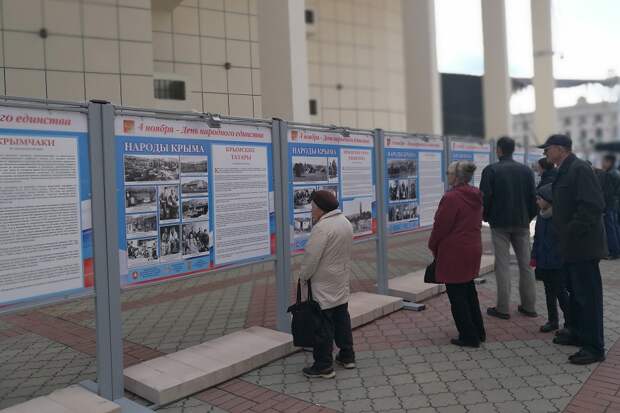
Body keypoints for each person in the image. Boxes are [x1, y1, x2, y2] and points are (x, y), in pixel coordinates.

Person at [540, 134, 607, 365]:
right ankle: (578, 333)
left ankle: (594, 347)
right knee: (577, 294)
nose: (545, 154)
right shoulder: (566, 169)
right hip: (571, 247)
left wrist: (569, 231)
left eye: (547, 149)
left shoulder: (579, 169)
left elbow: (593, 206)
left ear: (560, 149)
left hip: (583, 246)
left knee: (588, 297)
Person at [480, 136, 538, 320]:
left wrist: (487, 217)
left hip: (499, 224)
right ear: (513, 150)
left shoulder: (491, 170)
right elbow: (533, 199)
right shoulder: (526, 171)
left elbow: (485, 198)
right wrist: (528, 217)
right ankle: (529, 306)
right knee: (527, 265)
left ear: (499, 150)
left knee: (502, 265)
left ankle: (503, 308)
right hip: (522, 223)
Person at [429, 161, 486, 347]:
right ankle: (479, 331)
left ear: (457, 176)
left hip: (454, 252)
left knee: (457, 296)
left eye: (449, 172)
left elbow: (441, 227)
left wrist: (433, 245)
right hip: (472, 248)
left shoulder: (451, 198)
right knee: (469, 291)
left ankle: (469, 336)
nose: (447, 175)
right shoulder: (476, 194)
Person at [298, 190, 355, 379]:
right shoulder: (344, 222)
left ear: (320, 207)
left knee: (322, 324)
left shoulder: (322, 228)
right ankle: (347, 356)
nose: (311, 210)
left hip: (323, 282)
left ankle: (323, 366)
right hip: (340, 278)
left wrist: (303, 276)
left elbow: (311, 258)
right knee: (341, 317)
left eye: (313, 206)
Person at [530, 184, 570, 333]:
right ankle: (552, 320)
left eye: (539, 199)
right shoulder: (541, 216)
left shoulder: (559, 217)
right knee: (548, 293)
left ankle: (569, 322)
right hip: (544, 262)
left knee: (561, 293)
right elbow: (537, 238)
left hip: (558, 262)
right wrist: (534, 257)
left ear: (549, 200)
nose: (537, 201)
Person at [599, 154, 620, 259]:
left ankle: (613, 252)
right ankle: (617, 250)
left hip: (609, 204)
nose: (602, 164)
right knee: (615, 227)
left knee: (610, 228)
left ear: (609, 162)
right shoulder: (616, 172)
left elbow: (607, 192)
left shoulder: (609, 174)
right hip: (615, 203)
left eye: (604, 161)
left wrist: (603, 206)